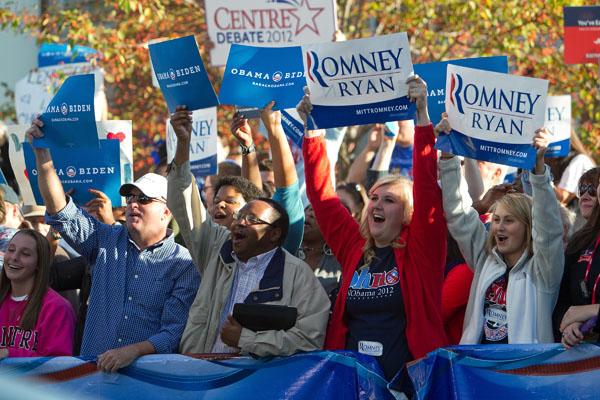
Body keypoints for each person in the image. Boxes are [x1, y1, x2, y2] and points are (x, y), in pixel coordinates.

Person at [298, 76, 448, 382]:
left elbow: (429, 191)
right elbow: (323, 199)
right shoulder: (354, 247)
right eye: (374, 198)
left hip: (409, 386)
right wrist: (312, 128)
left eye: (389, 200)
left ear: (407, 214)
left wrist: (421, 118)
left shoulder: (422, 252)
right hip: (352, 383)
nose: (376, 205)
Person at [26, 118, 200, 372]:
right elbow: (59, 209)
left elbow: (173, 332)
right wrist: (42, 154)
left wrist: (134, 351)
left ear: (167, 211)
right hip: (92, 380)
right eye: (130, 197)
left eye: (143, 199)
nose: (132, 204)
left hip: (147, 385)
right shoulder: (105, 240)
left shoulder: (183, 263)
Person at [168, 106, 329, 357]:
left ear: (275, 234)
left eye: (251, 219)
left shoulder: (297, 275)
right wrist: (183, 143)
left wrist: (246, 339)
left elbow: (309, 339)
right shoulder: (216, 250)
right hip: (200, 375)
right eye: (240, 217)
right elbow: (183, 201)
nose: (239, 223)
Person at [438, 118, 564, 344]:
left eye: (509, 220)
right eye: (496, 220)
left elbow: (549, 229)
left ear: (528, 226)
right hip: (480, 371)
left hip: (522, 375)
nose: (499, 227)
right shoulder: (485, 259)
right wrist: (448, 156)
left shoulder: (544, 270)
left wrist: (538, 170)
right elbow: (459, 214)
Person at [0, 229, 75, 356]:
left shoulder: (57, 308)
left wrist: (8, 354)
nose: (14, 257)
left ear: (39, 263)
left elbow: (58, 367)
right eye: (11, 250)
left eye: (25, 254)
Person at [554, 170, 600, 347]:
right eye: (582, 189)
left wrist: (589, 313)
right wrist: (568, 325)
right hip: (582, 355)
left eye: (593, 189)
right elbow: (562, 299)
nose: (586, 195)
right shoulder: (578, 242)